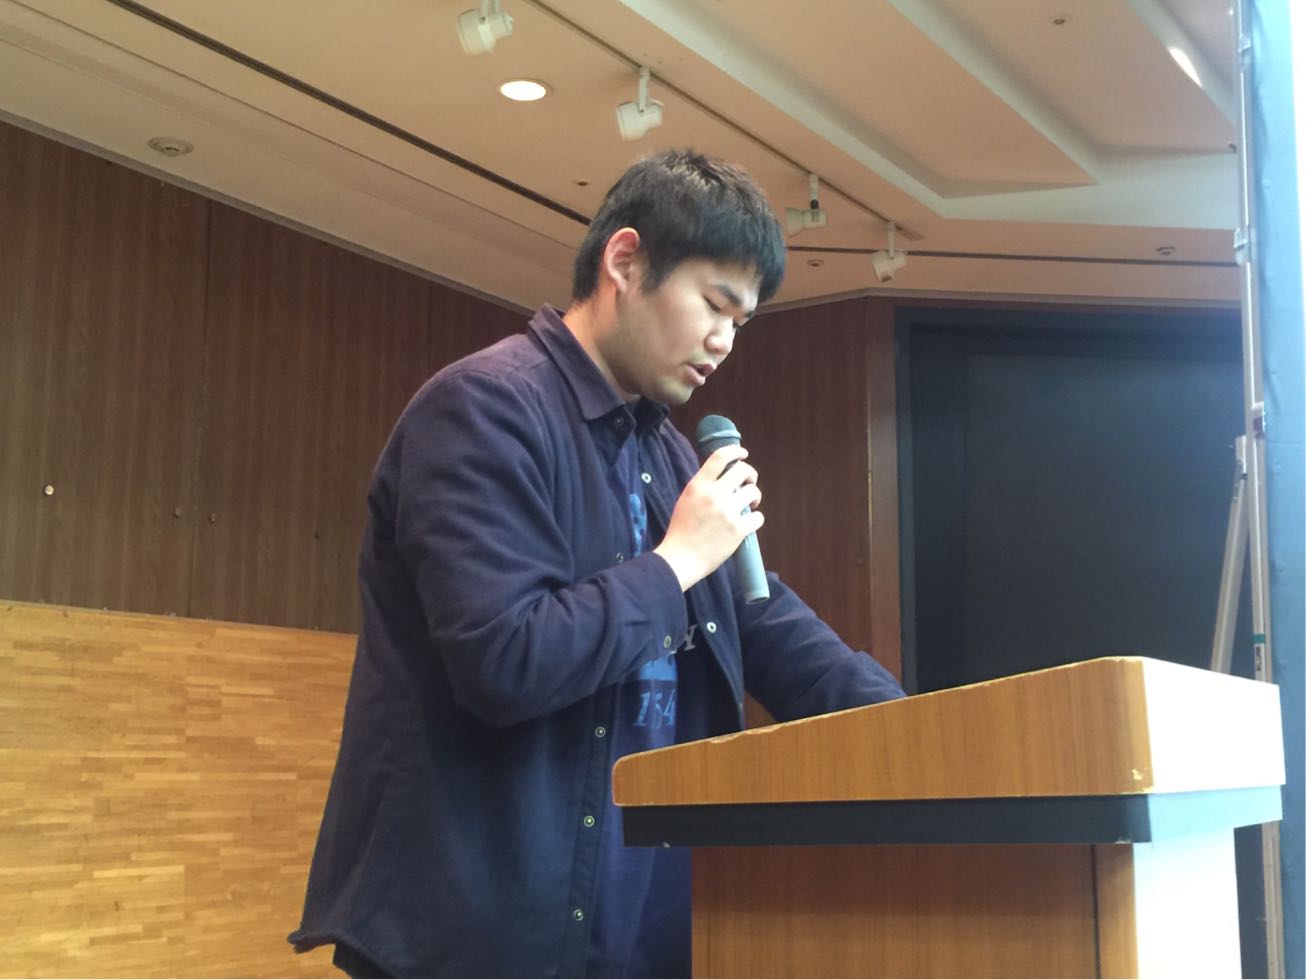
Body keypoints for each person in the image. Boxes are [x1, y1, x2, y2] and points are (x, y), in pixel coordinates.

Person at [288, 149, 905, 979]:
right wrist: (676, 560)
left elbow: (767, 625)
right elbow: (505, 660)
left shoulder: (670, 456)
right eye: (714, 305)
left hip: (634, 937)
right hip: (478, 938)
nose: (724, 342)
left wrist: (921, 736)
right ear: (625, 262)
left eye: (742, 322)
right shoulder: (482, 410)